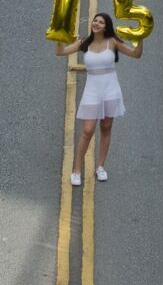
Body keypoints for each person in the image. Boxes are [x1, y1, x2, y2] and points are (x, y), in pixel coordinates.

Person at [54, 11, 142, 187]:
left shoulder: (113, 42)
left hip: (110, 90)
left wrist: (141, 37)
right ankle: (76, 170)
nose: (96, 24)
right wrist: (59, 37)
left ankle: (100, 166)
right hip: (92, 91)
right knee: (87, 131)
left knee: (106, 128)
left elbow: (135, 54)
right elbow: (60, 52)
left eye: (101, 22)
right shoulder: (84, 43)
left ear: (106, 26)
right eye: (95, 21)